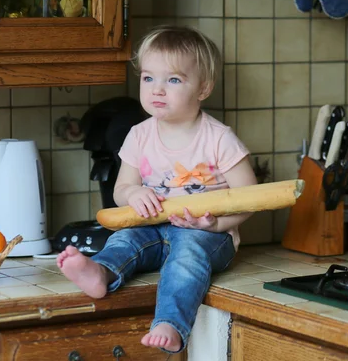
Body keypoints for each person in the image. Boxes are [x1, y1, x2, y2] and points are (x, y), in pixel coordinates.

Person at [57, 25, 257, 354]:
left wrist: (216, 224)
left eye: (173, 80)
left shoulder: (219, 138)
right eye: (148, 78)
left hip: (209, 235)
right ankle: (101, 273)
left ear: (203, 88)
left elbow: (251, 199)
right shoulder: (139, 135)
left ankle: (171, 324)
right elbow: (122, 188)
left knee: (187, 257)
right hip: (153, 229)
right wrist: (134, 194)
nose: (157, 90)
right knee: (124, 239)